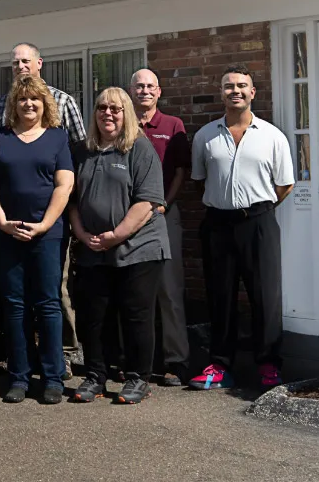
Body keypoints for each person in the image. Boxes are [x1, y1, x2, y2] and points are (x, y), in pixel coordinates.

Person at [189, 66, 295, 391]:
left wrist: (255, 209)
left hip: (259, 224)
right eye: (228, 86)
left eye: (241, 86)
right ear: (221, 93)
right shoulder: (205, 137)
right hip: (218, 225)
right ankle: (220, 364)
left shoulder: (273, 136)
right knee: (220, 297)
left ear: (253, 92)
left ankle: (268, 365)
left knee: (265, 297)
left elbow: (285, 184)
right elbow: (199, 181)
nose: (235, 91)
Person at [0, 43, 85, 377]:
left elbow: (66, 182)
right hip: (7, 232)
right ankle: (19, 374)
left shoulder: (57, 137)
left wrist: (45, 225)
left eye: (34, 99)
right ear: (13, 104)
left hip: (48, 232)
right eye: (22, 100)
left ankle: (55, 373)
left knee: (49, 301)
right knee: (14, 304)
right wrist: (0, 222)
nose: (28, 103)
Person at [67, 88, 168, 405]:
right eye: (101, 108)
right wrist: (82, 234)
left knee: (136, 315)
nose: (107, 114)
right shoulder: (82, 150)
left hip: (138, 246)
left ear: (126, 113)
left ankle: (139, 378)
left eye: (115, 108)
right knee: (94, 316)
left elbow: (147, 202)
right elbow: (71, 200)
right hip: (92, 247)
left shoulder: (139, 148)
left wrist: (115, 235)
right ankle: (96, 376)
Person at [129, 68, 191, 386]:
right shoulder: (122, 126)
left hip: (164, 216)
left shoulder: (172, 126)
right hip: (128, 220)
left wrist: (162, 205)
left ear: (159, 91)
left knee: (169, 290)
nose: (144, 91)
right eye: (139, 86)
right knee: (134, 292)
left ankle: (176, 360)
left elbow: (180, 172)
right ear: (131, 91)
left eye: (150, 86)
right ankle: (135, 359)